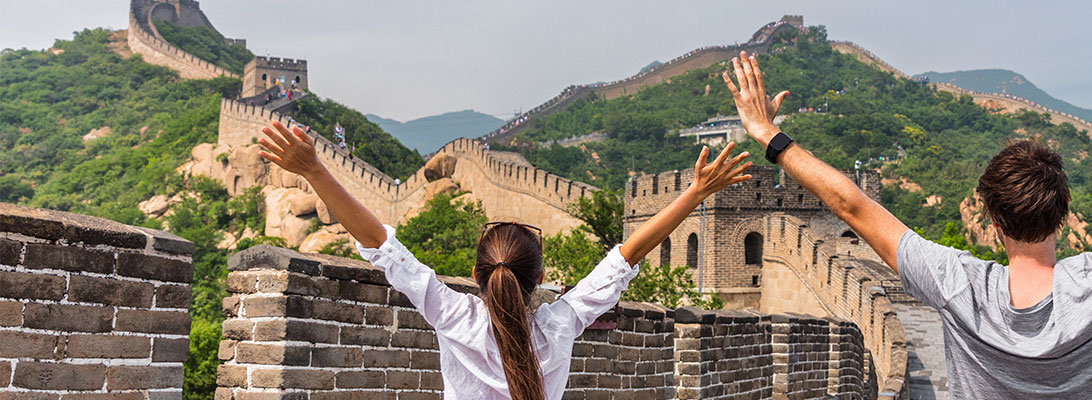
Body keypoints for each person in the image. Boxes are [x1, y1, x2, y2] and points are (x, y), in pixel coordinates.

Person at [720, 18, 1092, 398]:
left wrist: (769, 135)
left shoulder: (957, 285)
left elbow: (852, 206)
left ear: (991, 222)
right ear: (1066, 215)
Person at [255, 120, 753, 400]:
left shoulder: (454, 317)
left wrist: (314, 170)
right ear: (539, 280)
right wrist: (696, 193)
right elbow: (625, 257)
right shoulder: (558, 326)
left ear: (476, 274)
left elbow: (384, 248)